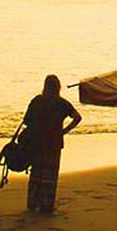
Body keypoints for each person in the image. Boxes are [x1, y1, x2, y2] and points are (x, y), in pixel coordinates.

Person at [22, 75, 82, 213]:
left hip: (36, 142)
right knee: (50, 175)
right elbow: (77, 118)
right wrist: (64, 131)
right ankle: (46, 204)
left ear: (45, 86)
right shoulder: (62, 103)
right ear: (58, 87)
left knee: (36, 173)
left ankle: (32, 202)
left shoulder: (37, 101)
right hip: (54, 143)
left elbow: (26, 121)